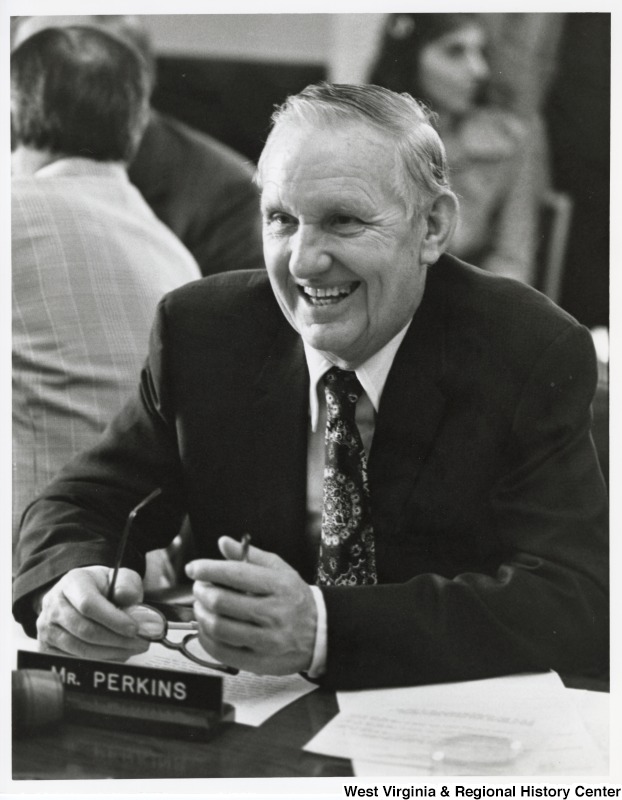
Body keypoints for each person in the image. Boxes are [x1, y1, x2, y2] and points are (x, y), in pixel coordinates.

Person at [13, 83, 608, 691]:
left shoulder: (527, 349)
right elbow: (78, 504)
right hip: (251, 727)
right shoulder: (204, 332)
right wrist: (70, 586)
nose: (301, 262)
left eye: (343, 221)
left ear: (432, 227)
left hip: (451, 739)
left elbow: (574, 598)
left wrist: (325, 628)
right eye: (281, 220)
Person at [11, 27, 201, 573]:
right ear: (137, 124)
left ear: (11, 107)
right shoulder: (173, 252)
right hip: (123, 578)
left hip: (27, 566)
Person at [11, 15, 264, 277]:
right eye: (26, 71)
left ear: (142, 80)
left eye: (75, 65)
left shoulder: (225, 193)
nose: (41, 92)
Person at [369, 13, 545, 284]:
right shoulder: (367, 135)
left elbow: (513, 258)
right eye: (455, 51)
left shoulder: (508, 139)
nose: (478, 70)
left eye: (480, 51)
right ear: (412, 55)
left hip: (473, 300)